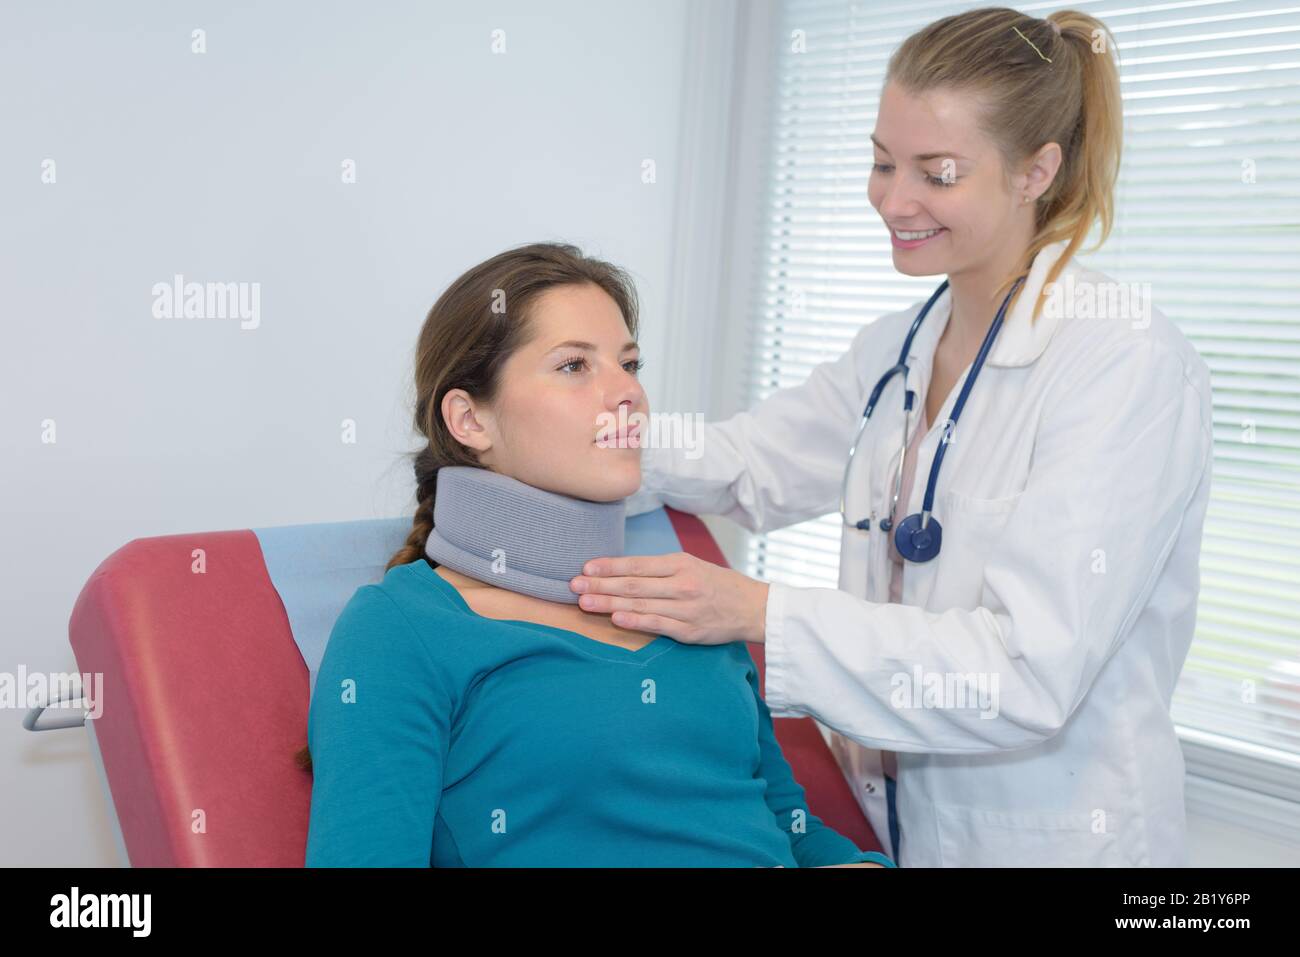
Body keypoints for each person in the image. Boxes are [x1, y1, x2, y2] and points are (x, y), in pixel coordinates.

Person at [572, 8, 1214, 866]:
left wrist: (758, 612)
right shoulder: (899, 348)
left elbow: (1026, 670)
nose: (892, 199)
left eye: (935, 173)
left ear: (1037, 171)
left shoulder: (1123, 361)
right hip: (898, 831)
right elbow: (750, 465)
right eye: (881, 161)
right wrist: (580, 439)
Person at [301, 242, 894, 868]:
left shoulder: (693, 604)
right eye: (573, 366)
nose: (628, 394)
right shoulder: (403, 629)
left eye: (630, 363)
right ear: (470, 420)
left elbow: (789, 828)